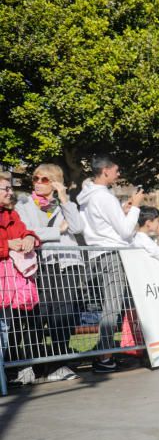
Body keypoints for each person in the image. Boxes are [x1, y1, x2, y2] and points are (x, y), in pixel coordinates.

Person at [15, 164, 85, 380]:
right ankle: (29, 365)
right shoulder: (24, 203)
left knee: (64, 318)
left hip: (67, 265)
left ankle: (58, 365)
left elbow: (77, 228)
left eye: (44, 179)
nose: (37, 182)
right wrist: (57, 230)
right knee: (38, 315)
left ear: (54, 182)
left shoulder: (65, 203)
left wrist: (64, 197)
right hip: (42, 266)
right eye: (35, 178)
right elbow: (27, 230)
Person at [77, 154, 144, 374]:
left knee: (110, 307)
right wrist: (135, 208)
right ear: (105, 171)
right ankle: (105, 357)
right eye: (116, 170)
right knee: (113, 307)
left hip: (96, 254)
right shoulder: (104, 197)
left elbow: (100, 225)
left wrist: (124, 210)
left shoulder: (87, 196)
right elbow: (125, 231)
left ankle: (104, 353)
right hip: (112, 254)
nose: (119, 174)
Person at [1, 172, 42, 385]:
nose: (10, 192)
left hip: (7, 280)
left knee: (6, 326)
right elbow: (6, 242)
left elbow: (27, 232)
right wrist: (7, 245)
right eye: (5, 189)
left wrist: (28, 238)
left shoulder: (12, 214)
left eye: (10, 188)